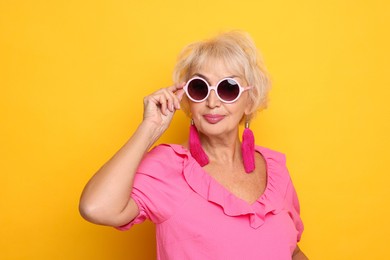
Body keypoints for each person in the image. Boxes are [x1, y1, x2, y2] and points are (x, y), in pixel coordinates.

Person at [79, 31, 308, 259]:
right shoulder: (167, 167)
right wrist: (149, 127)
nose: (212, 102)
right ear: (187, 98)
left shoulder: (276, 170)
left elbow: (292, 251)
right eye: (199, 88)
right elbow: (96, 207)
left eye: (228, 88)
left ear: (250, 101)